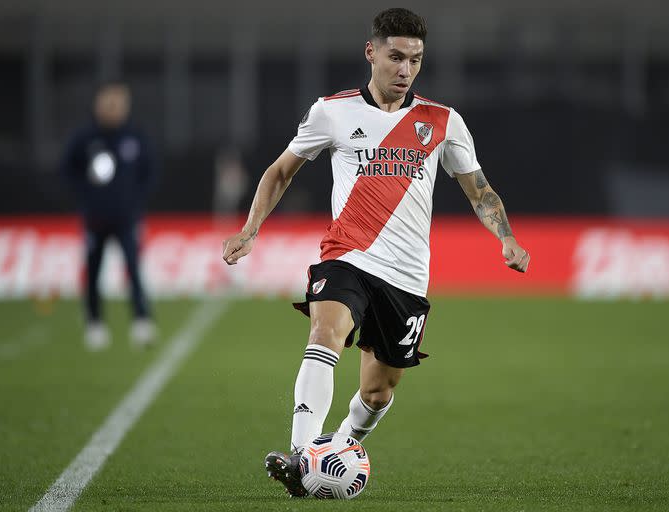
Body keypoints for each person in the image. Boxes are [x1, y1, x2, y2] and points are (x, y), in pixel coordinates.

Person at [222, 8, 530, 497]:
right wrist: (250, 228)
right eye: (396, 57)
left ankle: (337, 448)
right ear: (372, 53)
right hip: (348, 255)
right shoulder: (333, 111)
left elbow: (480, 191)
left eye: (415, 60)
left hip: (407, 276)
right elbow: (281, 171)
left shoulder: (443, 122)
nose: (405, 70)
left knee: (377, 391)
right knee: (326, 332)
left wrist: (506, 237)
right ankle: (302, 455)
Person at [63, 82, 158, 351]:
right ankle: (94, 323)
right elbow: (67, 170)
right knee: (93, 272)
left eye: (118, 103)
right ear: (98, 105)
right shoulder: (84, 138)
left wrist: (135, 200)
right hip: (95, 218)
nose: (113, 108)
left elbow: (150, 172)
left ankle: (142, 321)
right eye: (108, 103)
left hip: (126, 218)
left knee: (133, 269)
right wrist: (85, 197)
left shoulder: (135, 137)